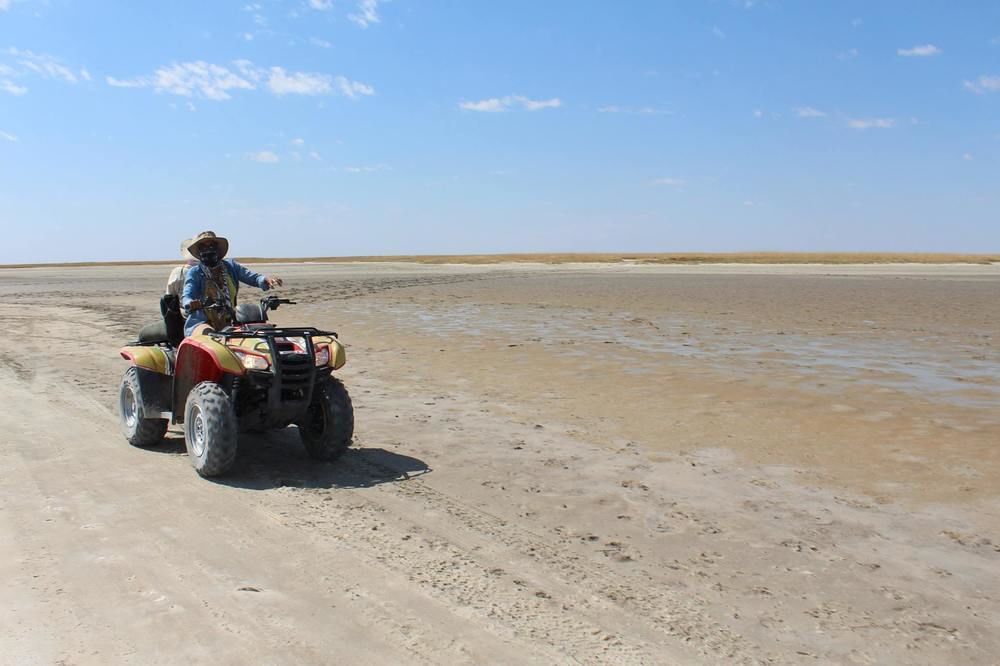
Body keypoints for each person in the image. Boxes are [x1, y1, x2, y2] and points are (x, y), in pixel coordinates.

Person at [181, 231, 283, 336]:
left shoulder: (230, 267)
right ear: (199, 251)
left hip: (230, 320)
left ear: (218, 249)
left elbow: (252, 277)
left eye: (211, 245)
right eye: (203, 247)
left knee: (256, 333)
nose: (208, 250)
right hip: (202, 322)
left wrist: (265, 279)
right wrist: (191, 303)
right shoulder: (195, 272)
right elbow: (187, 295)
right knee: (209, 337)